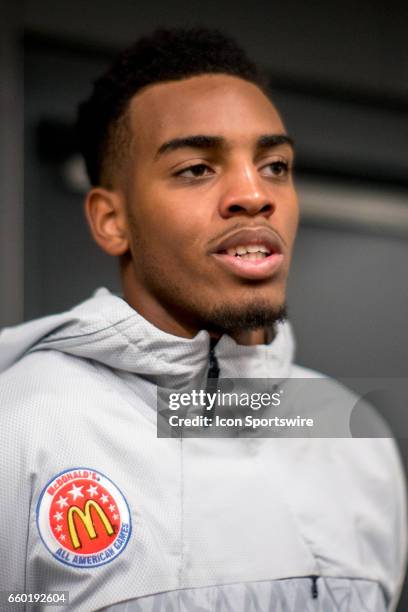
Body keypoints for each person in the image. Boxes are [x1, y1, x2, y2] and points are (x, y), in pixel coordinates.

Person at [0, 27, 406, 612]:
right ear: (112, 220)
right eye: (196, 168)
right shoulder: (23, 428)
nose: (253, 194)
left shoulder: (353, 435)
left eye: (274, 165)